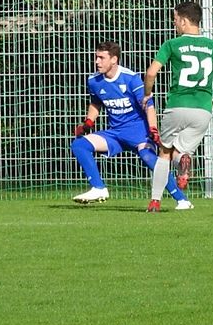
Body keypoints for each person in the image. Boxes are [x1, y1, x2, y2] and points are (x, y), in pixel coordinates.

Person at [70, 41, 193, 210]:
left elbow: (149, 105)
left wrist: (153, 129)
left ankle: (182, 200)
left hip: (138, 132)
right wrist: (88, 123)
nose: (97, 61)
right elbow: (95, 103)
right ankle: (99, 188)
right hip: (116, 134)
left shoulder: (131, 79)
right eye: (96, 57)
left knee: (149, 158)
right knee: (79, 144)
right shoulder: (94, 81)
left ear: (114, 60)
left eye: (101, 58)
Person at [143, 1, 213, 213]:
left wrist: (147, 94)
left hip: (177, 106)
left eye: (175, 20)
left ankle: (155, 202)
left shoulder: (172, 44)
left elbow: (151, 73)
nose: (174, 24)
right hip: (202, 110)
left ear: (183, 20)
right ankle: (184, 160)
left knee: (164, 152)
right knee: (180, 151)